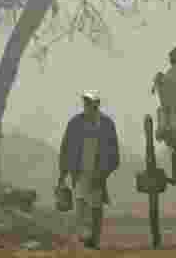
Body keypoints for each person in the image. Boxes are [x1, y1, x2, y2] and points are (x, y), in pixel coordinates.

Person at [58, 91, 120, 249]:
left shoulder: (106, 124)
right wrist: (63, 173)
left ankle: (93, 240)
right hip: (79, 172)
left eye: (91, 103)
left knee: (95, 207)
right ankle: (85, 237)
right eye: (86, 103)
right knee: (81, 205)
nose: (88, 106)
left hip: (98, 174)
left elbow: (114, 154)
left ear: (97, 105)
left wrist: (103, 173)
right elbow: (65, 148)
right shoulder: (75, 123)